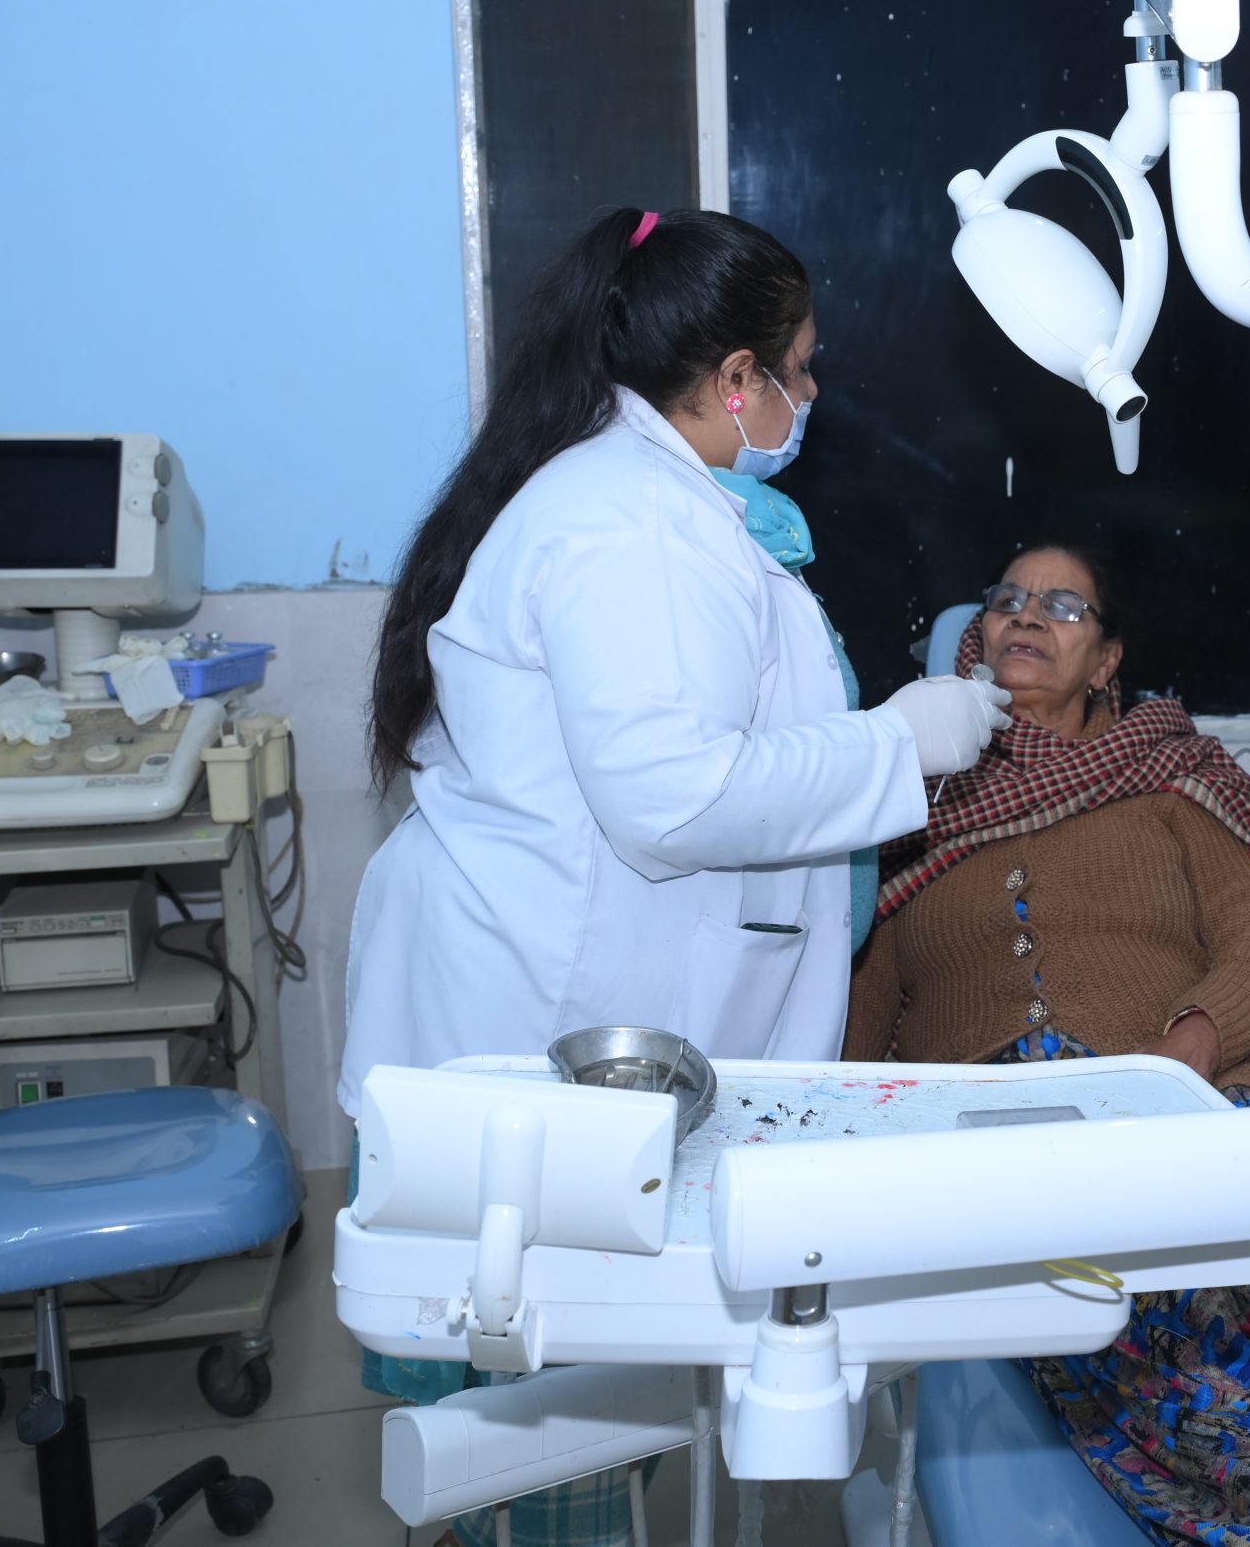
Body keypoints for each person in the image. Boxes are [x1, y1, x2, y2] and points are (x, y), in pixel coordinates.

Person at [341, 205, 1008, 1547]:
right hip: (538, 1020)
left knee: (565, 1424)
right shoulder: (634, 524)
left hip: (567, 996)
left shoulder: (658, 502)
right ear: (734, 377)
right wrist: (900, 741)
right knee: (549, 1439)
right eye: (801, 369)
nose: (812, 397)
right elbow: (672, 796)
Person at [846, 545, 1250, 1547]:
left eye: (1062, 605)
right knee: (1111, 1282)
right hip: (997, 1129)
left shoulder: (1174, 782)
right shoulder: (907, 812)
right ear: (976, 641)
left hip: (1190, 1087)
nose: (1026, 616)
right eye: (1008, 599)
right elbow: (856, 1026)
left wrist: (1187, 1048)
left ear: (1107, 660)